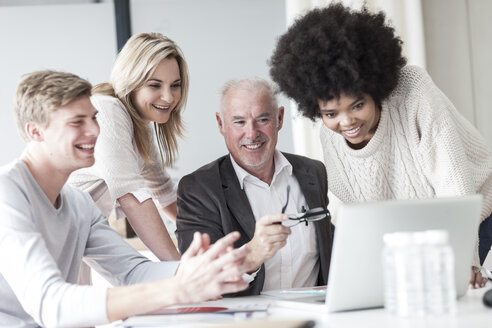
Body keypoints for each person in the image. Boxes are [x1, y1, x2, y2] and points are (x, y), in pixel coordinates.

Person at [0, 70, 249, 327]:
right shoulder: (6, 192)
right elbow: (52, 305)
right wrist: (177, 289)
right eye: (77, 122)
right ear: (35, 132)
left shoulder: (79, 204)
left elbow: (131, 272)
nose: (94, 130)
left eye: (94, 118)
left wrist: (190, 270)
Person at [269, 3, 492, 288]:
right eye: (330, 114)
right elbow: (370, 216)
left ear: (376, 89)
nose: (347, 122)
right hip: (419, 234)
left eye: (358, 105)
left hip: (476, 214)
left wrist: (465, 261)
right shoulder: (331, 139)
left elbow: (454, 186)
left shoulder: (413, 90)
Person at [175, 77, 333, 296]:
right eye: (239, 122)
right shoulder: (198, 189)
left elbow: (330, 253)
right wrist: (252, 254)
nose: (251, 133)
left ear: (279, 118)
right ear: (221, 124)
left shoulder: (314, 173)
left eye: (262, 119)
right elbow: (199, 276)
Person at [69, 32, 186, 262]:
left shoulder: (139, 128)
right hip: (48, 235)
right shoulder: (107, 111)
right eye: (155, 85)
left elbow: (163, 192)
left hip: (77, 237)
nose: (168, 97)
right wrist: (179, 268)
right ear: (130, 82)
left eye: (175, 85)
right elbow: (131, 197)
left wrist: (208, 239)